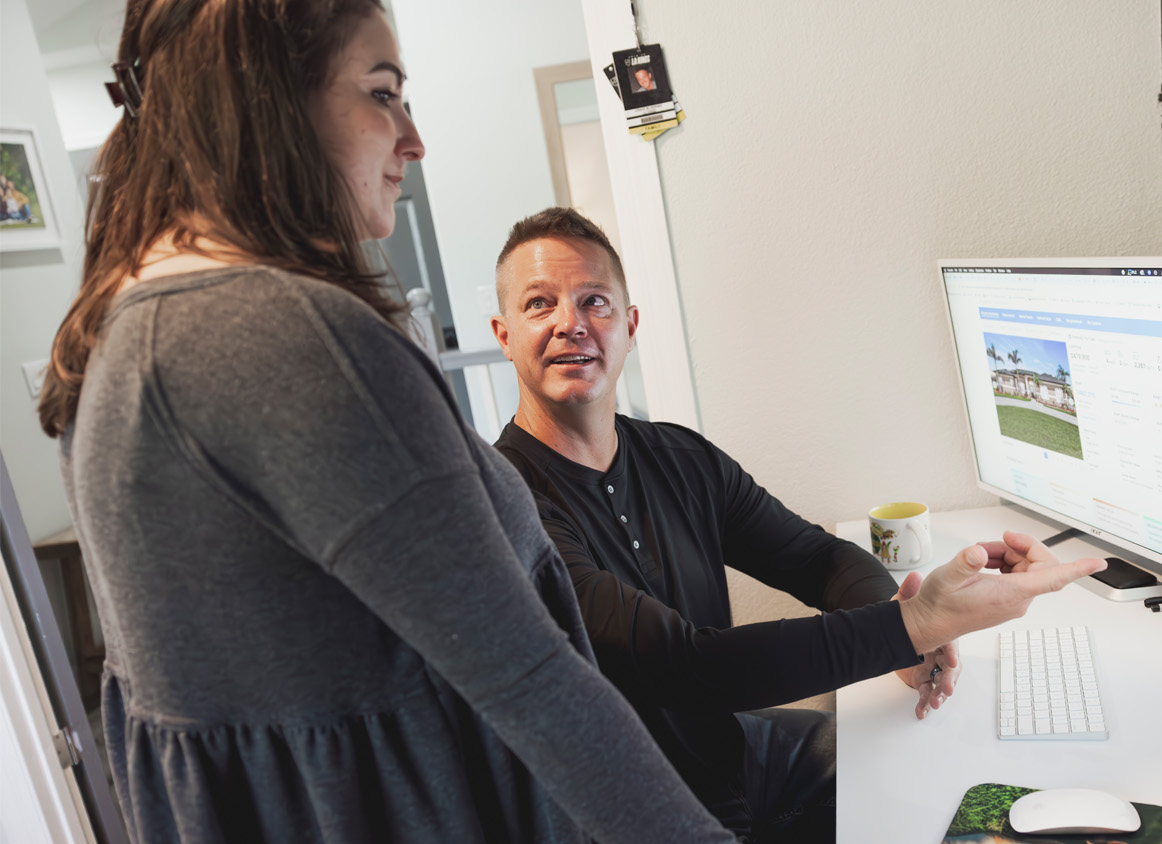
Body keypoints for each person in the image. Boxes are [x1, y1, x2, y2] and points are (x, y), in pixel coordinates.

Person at [38, 3, 736, 843]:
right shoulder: (289, 338)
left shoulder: (120, 326)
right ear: (264, 100)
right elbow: (529, 677)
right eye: (382, 93)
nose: (413, 139)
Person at [489, 207, 1107, 842]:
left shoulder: (681, 458)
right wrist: (908, 626)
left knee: (948, 780)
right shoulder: (505, 503)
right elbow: (688, 666)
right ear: (504, 334)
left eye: (595, 301)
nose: (571, 323)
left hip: (733, 756)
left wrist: (902, 628)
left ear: (629, 325)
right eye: (540, 304)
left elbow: (816, 558)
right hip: (634, 818)